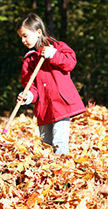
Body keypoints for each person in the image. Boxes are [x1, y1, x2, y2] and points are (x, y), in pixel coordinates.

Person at [16, 12, 86, 155]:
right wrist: (28, 95)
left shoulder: (57, 47)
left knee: (59, 143)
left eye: (25, 36)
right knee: (45, 145)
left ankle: (62, 171)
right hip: (44, 108)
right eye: (21, 37)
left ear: (38, 32)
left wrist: (53, 54)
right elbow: (31, 85)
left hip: (61, 103)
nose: (23, 40)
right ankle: (48, 174)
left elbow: (70, 62)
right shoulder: (29, 60)